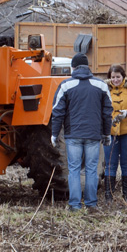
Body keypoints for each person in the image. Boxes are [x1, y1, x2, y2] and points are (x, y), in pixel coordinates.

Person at [49, 53, 112, 213]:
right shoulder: (101, 85)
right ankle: (91, 204)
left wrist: (54, 134)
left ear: (73, 67)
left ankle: (75, 205)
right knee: (91, 169)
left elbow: (57, 112)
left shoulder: (65, 85)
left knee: (74, 170)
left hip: (73, 135)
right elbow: (107, 112)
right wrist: (106, 133)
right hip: (93, 135)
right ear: (88, 67)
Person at [105, 64, 127, 203]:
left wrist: (126, 113)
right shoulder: (105, 90)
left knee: (126, 164)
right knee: (110, 165)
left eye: (118, 77)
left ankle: (126, 195)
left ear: (123, 77)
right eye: (113, 77)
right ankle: (109, 195)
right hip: (111, 133)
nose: (115, 80)